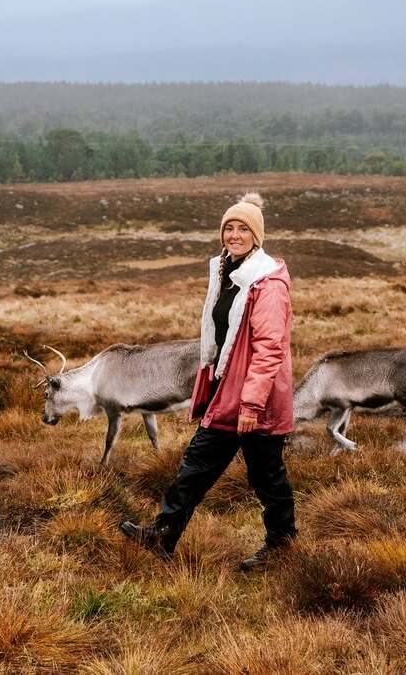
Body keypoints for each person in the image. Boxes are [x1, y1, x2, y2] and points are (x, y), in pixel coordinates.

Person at [119, 192, 297, 571]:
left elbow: (269, 349)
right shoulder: (227, 273)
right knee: (196, 466)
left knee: (267, 477)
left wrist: (251, 404)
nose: (234, 235)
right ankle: (163, 534)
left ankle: (282, 547)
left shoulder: (267, 283)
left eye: (243, 229)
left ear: (257, 235)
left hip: (256, 400)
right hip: (226, 392)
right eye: (229, 228)